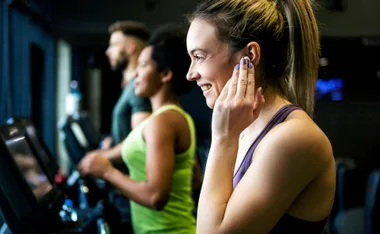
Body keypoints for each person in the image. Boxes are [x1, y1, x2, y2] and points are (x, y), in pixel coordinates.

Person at [186, 0, 336, 233]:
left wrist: (223, 139)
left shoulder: (293, 137)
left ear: (250, 55)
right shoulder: (245, 128)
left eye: (200, 56)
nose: (190, 74)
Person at [78, 24, 197, 234]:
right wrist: (100, 156)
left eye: (143, 65)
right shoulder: (167, 117)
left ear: (165, 74)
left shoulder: (163, 121)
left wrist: (106, 171)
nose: (136, 74)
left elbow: (155, 196)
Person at [101, 20, 152, 150]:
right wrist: (113, 142)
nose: (108, 51)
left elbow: (139, 142)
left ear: (130, 47)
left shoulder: (138, 87)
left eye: (113, 45)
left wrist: (104, 156)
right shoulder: (130, 85)